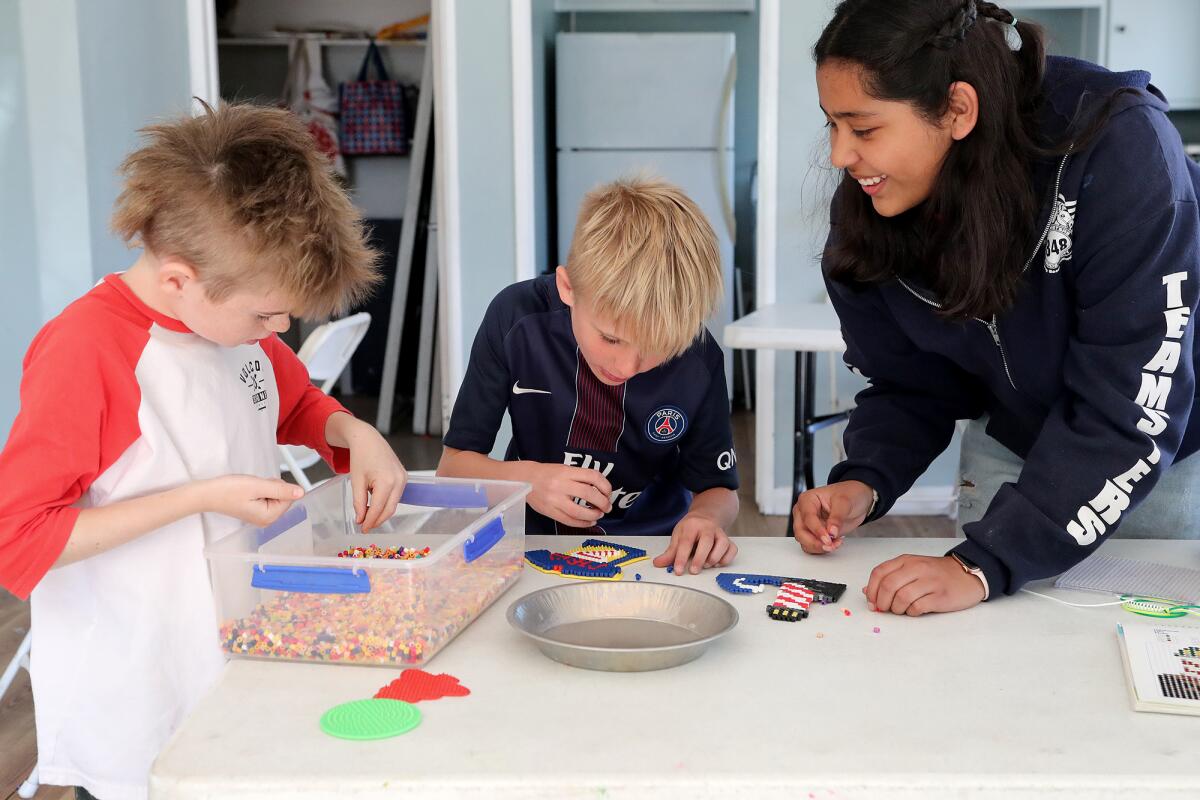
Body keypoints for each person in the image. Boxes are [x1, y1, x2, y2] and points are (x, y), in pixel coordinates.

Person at [0, 103, 408, 799]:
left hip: (232, 648)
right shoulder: (87, 352)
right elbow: (20, 536)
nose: (279, 330)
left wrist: (355, 432)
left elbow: (299, 403)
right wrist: (201, 496)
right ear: (179, 280)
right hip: (135, 683)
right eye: (266, 314)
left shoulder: (233, 331)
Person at [794, 0, 1200, 615]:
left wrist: (983, 563)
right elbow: (915, 381)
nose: (839, 157)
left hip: (1152, 452)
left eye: (865, 128)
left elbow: (1132, 406)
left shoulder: (1119, 148)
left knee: (1134, 655)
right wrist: (866, 478)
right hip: (1014, 440)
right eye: (832, 124)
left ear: (958, 109)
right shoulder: (875, 208)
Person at [438, 177, 740, 574]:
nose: (627, 366)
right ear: (568, 288)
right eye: (610, 338)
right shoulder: (516, 318)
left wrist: (705, 520)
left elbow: (720, 491)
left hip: (656, 554)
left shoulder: (698, 356)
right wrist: (527, 482)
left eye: (656, 348)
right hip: (530, 549)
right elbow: (453, 470)